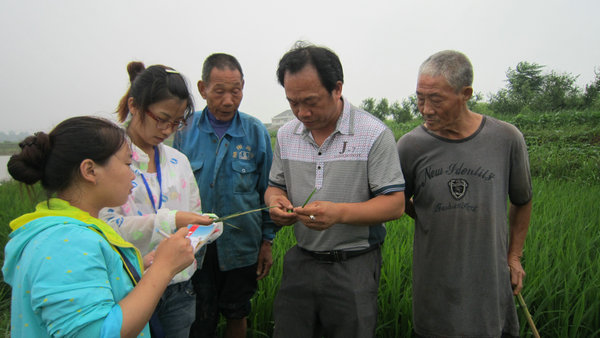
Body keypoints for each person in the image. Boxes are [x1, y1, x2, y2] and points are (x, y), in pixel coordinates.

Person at [3, 116, 195, 337]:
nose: (132, 174)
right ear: (90, 171)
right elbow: (97, 332)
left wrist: (136, 266)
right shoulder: (66, 242)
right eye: (127, 164)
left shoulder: (72, 231)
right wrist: (163, 268)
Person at [265, 42, 406, 338]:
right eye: (293, 102)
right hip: (301, 260)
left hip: (353, 265)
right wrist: (276, 203)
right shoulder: (287, 135)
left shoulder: (373, 134)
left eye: (311, 101)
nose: (302, 111)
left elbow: (394, 204)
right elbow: (275, 186)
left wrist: (339, 213)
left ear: (337, 88)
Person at [396, 50, 533, 337]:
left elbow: (522, 200)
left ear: (465, 93)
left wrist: (514, 257)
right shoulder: (411, 146)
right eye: (420, 98)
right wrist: (427, 213)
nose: (425, 109)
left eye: (435, 99)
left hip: (491, 280)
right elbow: (396, 200)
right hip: (435, 283)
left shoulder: (506, 138)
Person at [100, 62, 221, 337]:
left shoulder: (179, 161)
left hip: (179, 287)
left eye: (176, 122)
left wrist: (207, 227)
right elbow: (105, 227)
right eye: (162, 118)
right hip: (129, 285)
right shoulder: (109, 161)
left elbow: (194, 214)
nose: (168, 129)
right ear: (134, 105)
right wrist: (172, 220)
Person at [173, 53, 276, 338]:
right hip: (195, 247)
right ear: (203, 88)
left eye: (236, 91)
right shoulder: (185, 130)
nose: (228, 100)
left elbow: (268, 190)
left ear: (243, 86)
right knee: (197, 319)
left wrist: (267, 241)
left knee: (236, 312)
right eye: (219, 92)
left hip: (242, 246)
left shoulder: (255, 132)